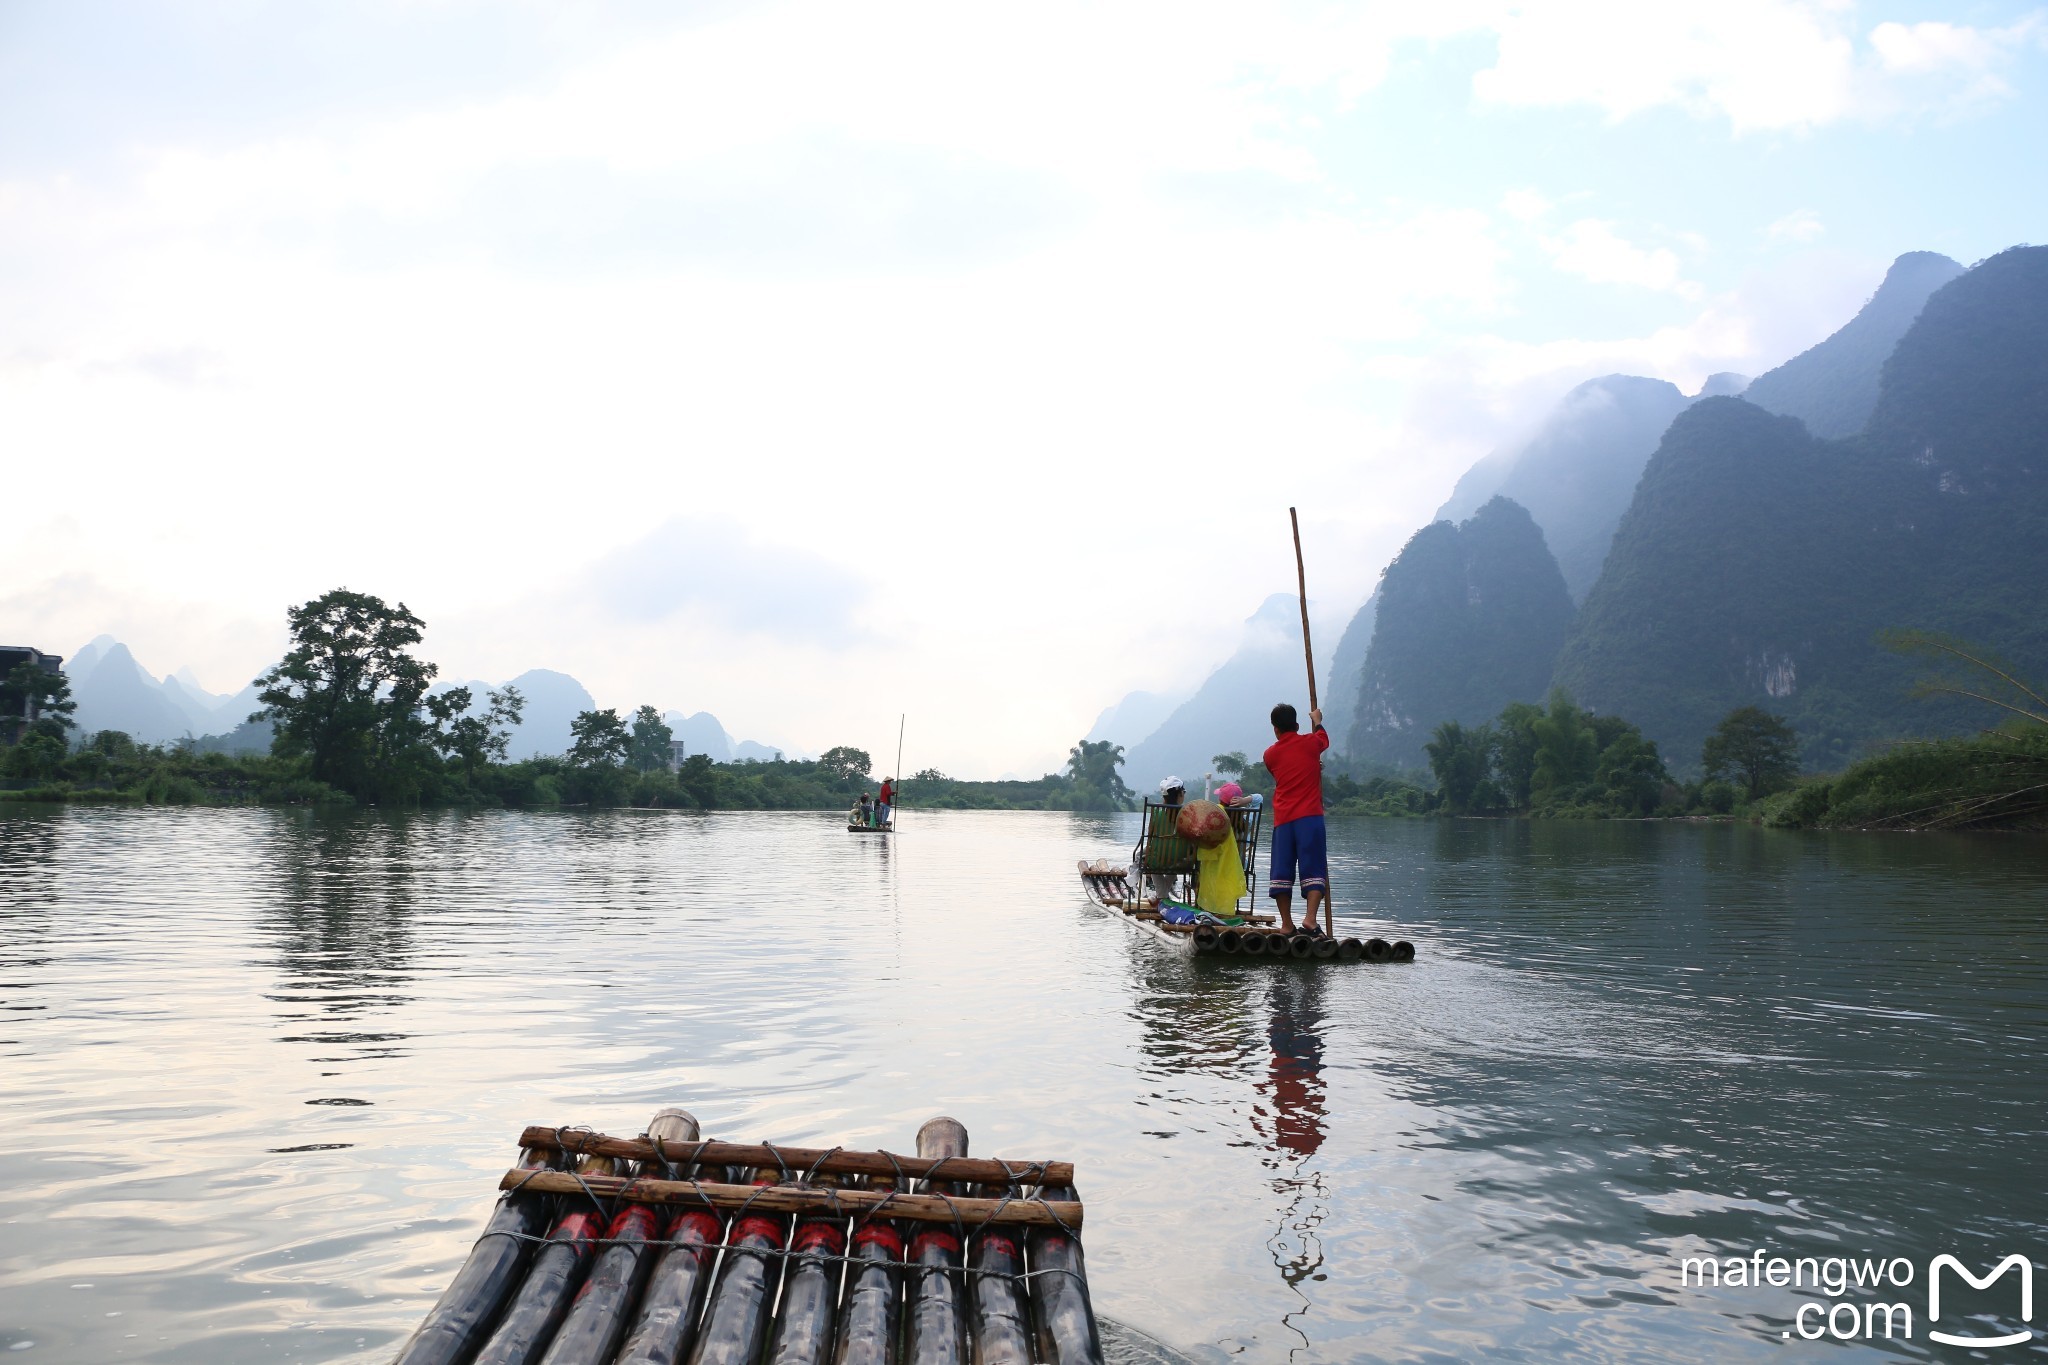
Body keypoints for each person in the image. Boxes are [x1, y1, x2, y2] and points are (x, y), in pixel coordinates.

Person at [1263, 702, 1330, 936]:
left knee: (1281, 871)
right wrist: (1318, 720)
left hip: (1283, 819)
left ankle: (1287, 924)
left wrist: (1311, 766)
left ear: (1275, 729)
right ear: (1298, 725)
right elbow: (1323, 738)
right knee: (1314, 867)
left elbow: (1284, 773)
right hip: (1309, 817)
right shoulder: (1312, 742)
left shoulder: (1270, 754)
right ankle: (1310, 920)